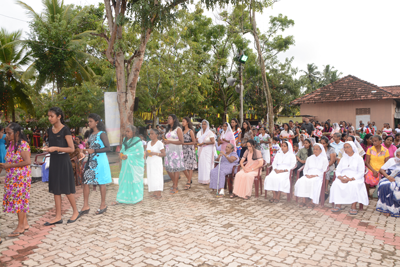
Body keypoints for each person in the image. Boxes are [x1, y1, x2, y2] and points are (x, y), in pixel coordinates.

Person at [43, 107, 80, 225]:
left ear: (59, 116)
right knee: (56, 190)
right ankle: (58, 216)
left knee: (66, 189)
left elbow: (71, 149)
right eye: (48, 116)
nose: (49, 118)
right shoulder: (49, 130)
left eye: (51, 116)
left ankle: (75, 211)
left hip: (64, 161)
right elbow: (51, 145)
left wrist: (56, 148)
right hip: (54, 161)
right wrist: (48, 149)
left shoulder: (65, 130)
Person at [0, 123, 31, 236]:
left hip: (21, 178)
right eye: (6, 133)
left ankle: (20, 227)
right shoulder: (11, 145)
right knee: (17, 200)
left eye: (9, 133)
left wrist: (8, 166)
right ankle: (25, 223)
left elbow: (27, 161)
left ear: (17, 133)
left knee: (20, 201)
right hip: (12, 178)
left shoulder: (23, 145)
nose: (7, 135)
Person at [81, 113, 112, 216]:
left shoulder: (102, 133)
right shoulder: (91, 134)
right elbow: (92, 147)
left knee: (101, 182)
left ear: (97, 122)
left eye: (91, 121)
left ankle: (103, 205)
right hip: (90, 161)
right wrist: (87, 148)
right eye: (88, 121)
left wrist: (93, 150)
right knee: (85, 181)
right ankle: (85, 206)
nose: (89, 123)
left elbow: (108, 148)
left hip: (100, 161)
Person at [330, 141, 369, 215]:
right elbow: (338, 170)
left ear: (353, 148)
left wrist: (351, 179)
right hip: (343, 177)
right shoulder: (343, 158)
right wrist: (340, 177)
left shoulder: (359, 158)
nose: (345, 149)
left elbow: (361, 172)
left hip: (355, 177)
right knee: (336, 184)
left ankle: (353, 206)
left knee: (353, 185)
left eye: (348, 147)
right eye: (344, 147)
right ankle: (338, 204)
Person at [111, 125, 145, 205]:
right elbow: (122, 150)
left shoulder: (138, 141)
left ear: (133, 132)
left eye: (128, 131)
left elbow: (140, 154)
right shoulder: (124, 140)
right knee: (124, 181)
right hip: (126, 165)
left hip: (134, 165)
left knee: (135, 181)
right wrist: (121, 154)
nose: (126, 133)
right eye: (126, 131)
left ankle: (138, 199)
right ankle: (121, 199)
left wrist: (128, 156)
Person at [163, 114, 185, 194]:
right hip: (168, 151)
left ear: (174, 120)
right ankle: (175, 182)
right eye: (168, 118)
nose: (168, 120)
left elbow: (181, 142)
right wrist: (165, 142)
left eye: (170, 118)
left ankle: (175, 186)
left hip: (176, 151)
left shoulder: (178, 129)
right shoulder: (168, 129)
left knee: (176, 169)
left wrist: (170, 141)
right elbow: (168, 139)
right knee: (167, 168)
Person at [376, 148, 400, 217]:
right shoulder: (391, 160)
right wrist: (388, 177)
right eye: (397, 155)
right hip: (389, 178)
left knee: (397, 188)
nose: (398, 157)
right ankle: (386, 209)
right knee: (385, 186)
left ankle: (395, 208)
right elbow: (382, 170)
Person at [146, 128, 165, 200]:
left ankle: (159, 193)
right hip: (150, 162)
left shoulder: (159, 143)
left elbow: (164, 154)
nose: (150, 135)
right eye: (150, 134)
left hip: (157, 162)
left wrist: (155, 153)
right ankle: (154, 192)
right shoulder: (148, 143)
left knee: (157, 177)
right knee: (151, 177)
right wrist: (147, 153)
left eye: (152, 134)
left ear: (157, 135)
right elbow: (147, 152)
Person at [197, 120, 215, 185]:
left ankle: (207, 179)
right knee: (201, 164)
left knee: (207, 164)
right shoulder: (199, 132)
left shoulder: (210, 133)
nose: (203, 125)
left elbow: (213, 142)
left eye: (204, 124)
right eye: (202, 124)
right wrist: (199, 143)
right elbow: (197, 140)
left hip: (208, 150)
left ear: (207, 125)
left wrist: (204, 143)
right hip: (201, 150)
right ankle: (202, 179)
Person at [182, 117, 197, 190]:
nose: (182, 122)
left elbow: (194, 142)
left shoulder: (190, 131)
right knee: (183, 167)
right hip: (183, 150)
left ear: (187, 122)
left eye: (184, 121)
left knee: (190, 167)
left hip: (190, 150)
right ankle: (189, 178)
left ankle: (188, 182)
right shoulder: (182, 131)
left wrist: (185, 143)